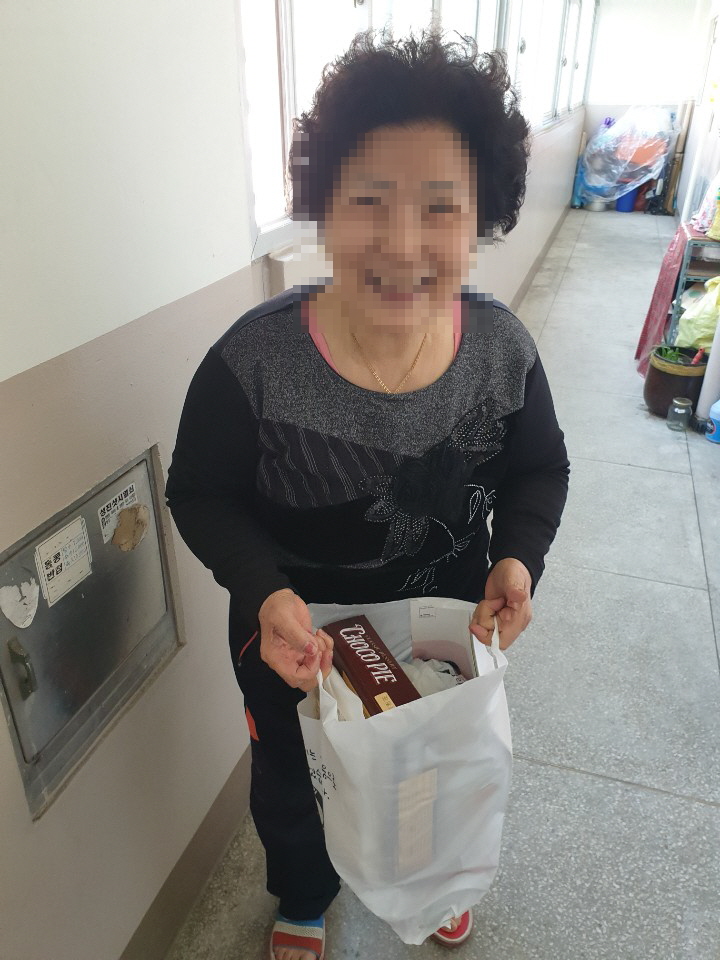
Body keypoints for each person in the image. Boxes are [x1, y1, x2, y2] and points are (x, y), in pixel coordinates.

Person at [166, 30, 569, 960]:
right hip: (295, 638)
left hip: (440, 633)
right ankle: (306, 897)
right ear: (325, 206)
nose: (402, 241)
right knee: (292, 778)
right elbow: (200, 492)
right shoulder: (252, 364)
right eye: (369, 200)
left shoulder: (501, 351)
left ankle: (431, 883)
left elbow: (539, 468)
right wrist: (263, 590)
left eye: (440, 206)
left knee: (429, 770)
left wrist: (518, 557)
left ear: (480, 217)